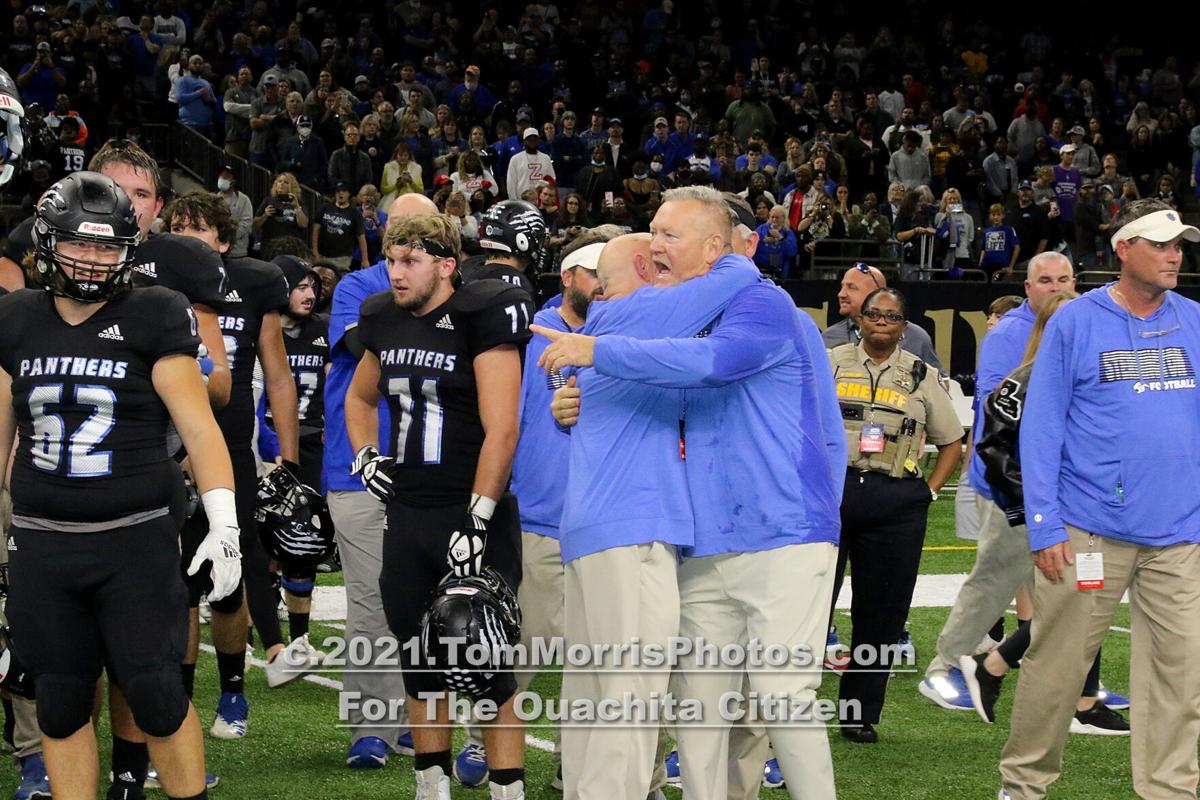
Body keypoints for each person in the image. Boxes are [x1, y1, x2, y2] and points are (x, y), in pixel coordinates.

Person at [537, 185, 843, 800]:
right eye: (651, 234)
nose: (654, 248)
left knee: (783, 698)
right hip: (703, 544)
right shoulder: (677, 316)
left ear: (714, 250)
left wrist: (598, 354)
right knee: (697, 713)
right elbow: (660, 396)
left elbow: (713, 365)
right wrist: (579, 402)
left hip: (783, 534)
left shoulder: (761, 302)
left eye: (668, 235)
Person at [0, 171, 238, 800]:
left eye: (107, 247)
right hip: (43, 543)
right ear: (48, 241)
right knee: (58, 700)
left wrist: (224, 523)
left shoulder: (154, 311)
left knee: (158, 693)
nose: (92, 259)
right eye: (80, 244)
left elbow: (201, 428)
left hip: (132, 540)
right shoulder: (16, 317)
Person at [998, 199, 1200, 799]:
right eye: (1160, 244)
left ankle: (1170, 790)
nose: (1174, 254)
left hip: (1180, 536)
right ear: (1122, 248)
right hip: (1088, 531)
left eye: (1179, 245)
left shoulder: (1194, 318)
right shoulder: (1076, 320)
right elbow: (1041, 427)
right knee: (1058, 671)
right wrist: (1043, 524)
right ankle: (1023, 785)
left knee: (1180, 676)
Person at [344, 213, 534, 800]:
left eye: (410, 262)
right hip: (408, 515)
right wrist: (365, 455)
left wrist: (477, 518)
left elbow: (502, 430)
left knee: (486, 665)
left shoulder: (480, 317)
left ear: (447, 265)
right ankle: (431, 787)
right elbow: (358, 395)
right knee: (419, 663)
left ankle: (508, 790)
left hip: (470, 511)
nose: (396, 274)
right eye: (391, 260)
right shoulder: (381, 317)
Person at [163, 192, 300, 741]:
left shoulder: (251, 285)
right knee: (176, 586)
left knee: (227, 575)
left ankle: (233, 692)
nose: (190, 241)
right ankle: (177, 702)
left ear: (223, 241)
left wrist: (288, 460)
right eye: (180, 229)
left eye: (201, 232)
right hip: (161, 451)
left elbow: (279, 374)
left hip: (229, 448)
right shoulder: (148, 288)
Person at [322, 192, 437, 771]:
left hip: (431, 469)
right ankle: (371, 726)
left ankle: (419, 721)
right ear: (384, 230)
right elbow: (357, 344)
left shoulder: (450, 294)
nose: (410, 241)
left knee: (429, 602)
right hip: (358, 464)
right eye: (402, 230)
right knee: (370, 600)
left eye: (425, 231)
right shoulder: (355, 288)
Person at [829, 287, 962, 742]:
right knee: (809, 607)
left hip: (896, 500)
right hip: (833, 495)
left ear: (904, 326)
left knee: (882, 613)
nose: (881, 321)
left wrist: (927, 492)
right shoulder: (830, 362)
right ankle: (792, 707)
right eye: (873, 314)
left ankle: (857, 713)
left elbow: (952, 441)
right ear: (859, 321)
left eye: (891, 315)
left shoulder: (922, 374)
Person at [508, 236, 607, 793]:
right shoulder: (532, 333)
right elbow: (510, 416)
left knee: (593, 655)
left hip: (603, 518)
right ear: (568, 276)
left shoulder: (619, 334)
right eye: (594, 274)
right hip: (542, 512)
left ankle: (576, 759)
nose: (603, 285)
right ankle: (486, 738)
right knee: (528, 641)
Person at [264, 254, 330, 669]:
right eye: (299, 286)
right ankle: (268, 621)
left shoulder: (324, 330)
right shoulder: (265, 331)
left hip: (311, 446)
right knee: (265, 542)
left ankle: (300, 641)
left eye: (312, 287)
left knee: (304, 541)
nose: (308, 294)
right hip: (269, 445)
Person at [821, 264, 945, 374]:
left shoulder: (916, 337)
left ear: (877, 293)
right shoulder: (828, 338)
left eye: (851, 288)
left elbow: (941, 383)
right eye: (842, 287)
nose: (841, 294)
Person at [312, 182, 369, 273]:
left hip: (343, 259)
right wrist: (315, 251)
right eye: (338, 191)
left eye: (344, 191)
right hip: (322, 256)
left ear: (349, 194)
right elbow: (315, 230)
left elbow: (361, 237)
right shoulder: (325, 208)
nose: (340, 193)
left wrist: (365, 259)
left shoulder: (354, 213)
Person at [254, 173, 310, 254]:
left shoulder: (298, 202)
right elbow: (255, 224)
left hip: (292, 246)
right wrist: (265, 215)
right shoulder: (268, 200)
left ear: (292, 186)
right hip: (271, 245)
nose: (282, 184)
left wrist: (297, 207)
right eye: (279, 181)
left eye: (286, 182)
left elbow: (303, 224)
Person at [215, 165, 253, 258]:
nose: (223, 178)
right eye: (221, 176)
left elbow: (246, 223)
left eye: (227, 176)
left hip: (238, 251)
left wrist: (228, 237)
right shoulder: (212, 199)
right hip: (216, 250)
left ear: (233, 181)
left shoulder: (243, 200)